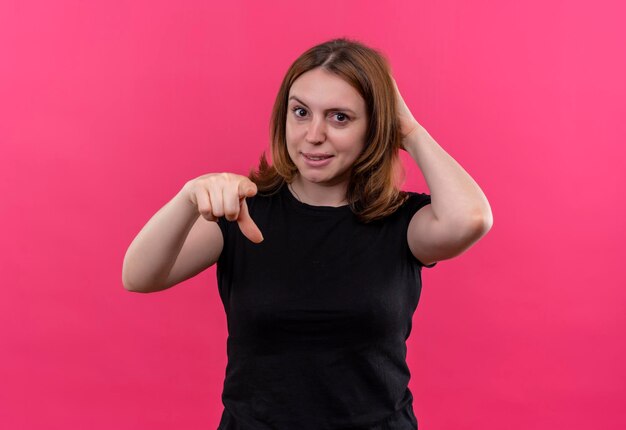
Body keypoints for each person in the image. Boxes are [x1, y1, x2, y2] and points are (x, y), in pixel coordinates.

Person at [122, 37, 493, 430]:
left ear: (375, 127)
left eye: (340, 118)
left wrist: (410, 130)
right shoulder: (243, 210)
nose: (314, 135)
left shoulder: (402, 222)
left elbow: (470, 219)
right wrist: (187, 198)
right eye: (301, 112)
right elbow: (138, 276)